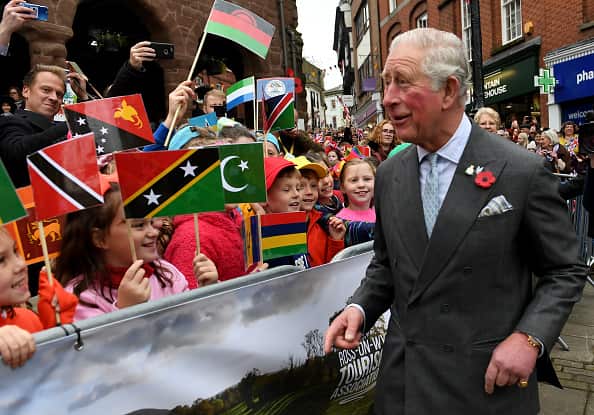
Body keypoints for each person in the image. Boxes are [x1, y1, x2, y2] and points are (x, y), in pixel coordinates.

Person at [324, 28, 587, 415]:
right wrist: (360, 307)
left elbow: (564, 270)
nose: (388, 98)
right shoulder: (391, 172)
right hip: (404, 385)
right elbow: (387, 264)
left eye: (402, 82)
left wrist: (530, 338)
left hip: (482, 385)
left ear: (448, 90)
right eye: (386, 83)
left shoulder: (519, 171)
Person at [55, 183, 190, 321]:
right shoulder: (77, 298)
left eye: (151, 222)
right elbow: (100, 342)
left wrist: (206, 293)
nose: (154, 232)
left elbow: (192, 327)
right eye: (139, 225)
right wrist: (125, 310)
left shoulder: (167, 274)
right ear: (100, 239)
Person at [0, 227, 78, 368]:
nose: (21, 265)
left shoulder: (28, 318)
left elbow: (55, 377)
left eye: (16, 251)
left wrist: (57, 328)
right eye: (1, 260)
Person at [0, 65, 80, 187]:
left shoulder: (61, 127)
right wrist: (72, 123)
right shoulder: (10, 121)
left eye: (59, 94)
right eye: (46, 90)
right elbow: (16, 151)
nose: (54, 98)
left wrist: (83, 98)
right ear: (26, 91)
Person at [293, 156, 345, 266]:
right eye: (301, 186)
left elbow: (331, 269)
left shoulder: (322, 224)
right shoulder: (278, 228)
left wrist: (336, 240)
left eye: (313, 186)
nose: (309, 192)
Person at [336, 158, 376, 223]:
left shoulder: (381, 214)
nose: (361, 185)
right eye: (354, 180)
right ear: (342, 187)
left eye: (367, 179)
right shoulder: (340, 221)